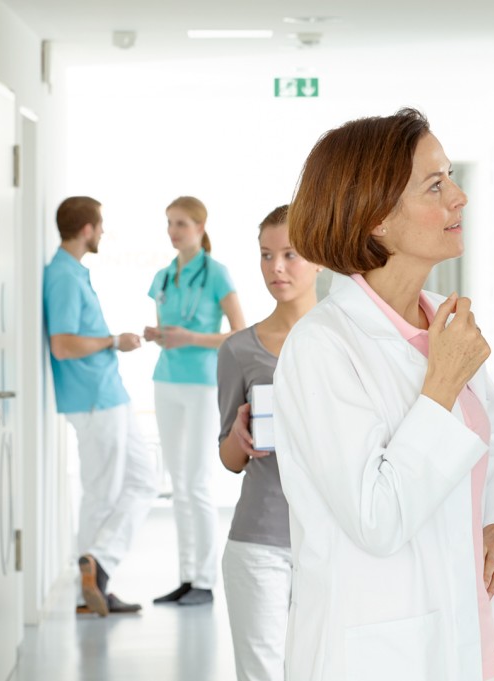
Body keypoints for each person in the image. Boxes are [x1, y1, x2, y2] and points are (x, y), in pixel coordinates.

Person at [273, 109, 494, 681]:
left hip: (472, 634)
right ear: (377, 218)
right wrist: (439, 386)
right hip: (378, 651)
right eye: (436, 185)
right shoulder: (322, 347)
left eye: (451, 179)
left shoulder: (442, 320)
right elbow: (376, 517)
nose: (460, 198)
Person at [216, 205, 318, 681]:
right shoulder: (238, 350)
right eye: (265, 255)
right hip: (260, 543)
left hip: (332, 540)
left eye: (290, 254)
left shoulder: (351, 341)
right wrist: (239, 438)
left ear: (319, 257)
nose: (276, 267)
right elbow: (228, 458)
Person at [43, 195, 157, 617]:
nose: (103, 232)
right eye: (101, 225)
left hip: (111, 394)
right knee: (101, 495)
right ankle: (87, 592)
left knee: (145, 480)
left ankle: (98, 564)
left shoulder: (73, 272)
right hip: (92, 400)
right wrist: (113, 341)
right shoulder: (63, 277)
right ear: (87, 229)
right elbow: (63, 344)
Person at [143, 196, 246, 606]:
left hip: (203, 384)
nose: (173, 231)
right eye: (169, 223)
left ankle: (204, 580)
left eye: (181, 224)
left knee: (198, 481)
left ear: (200, 227)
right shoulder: (164, 276)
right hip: (166, 380)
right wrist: (158, 335)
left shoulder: (216, 274)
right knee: (179, 484)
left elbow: (239, 332)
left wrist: (192, 338)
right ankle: (186, 576)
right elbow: (171, 325)